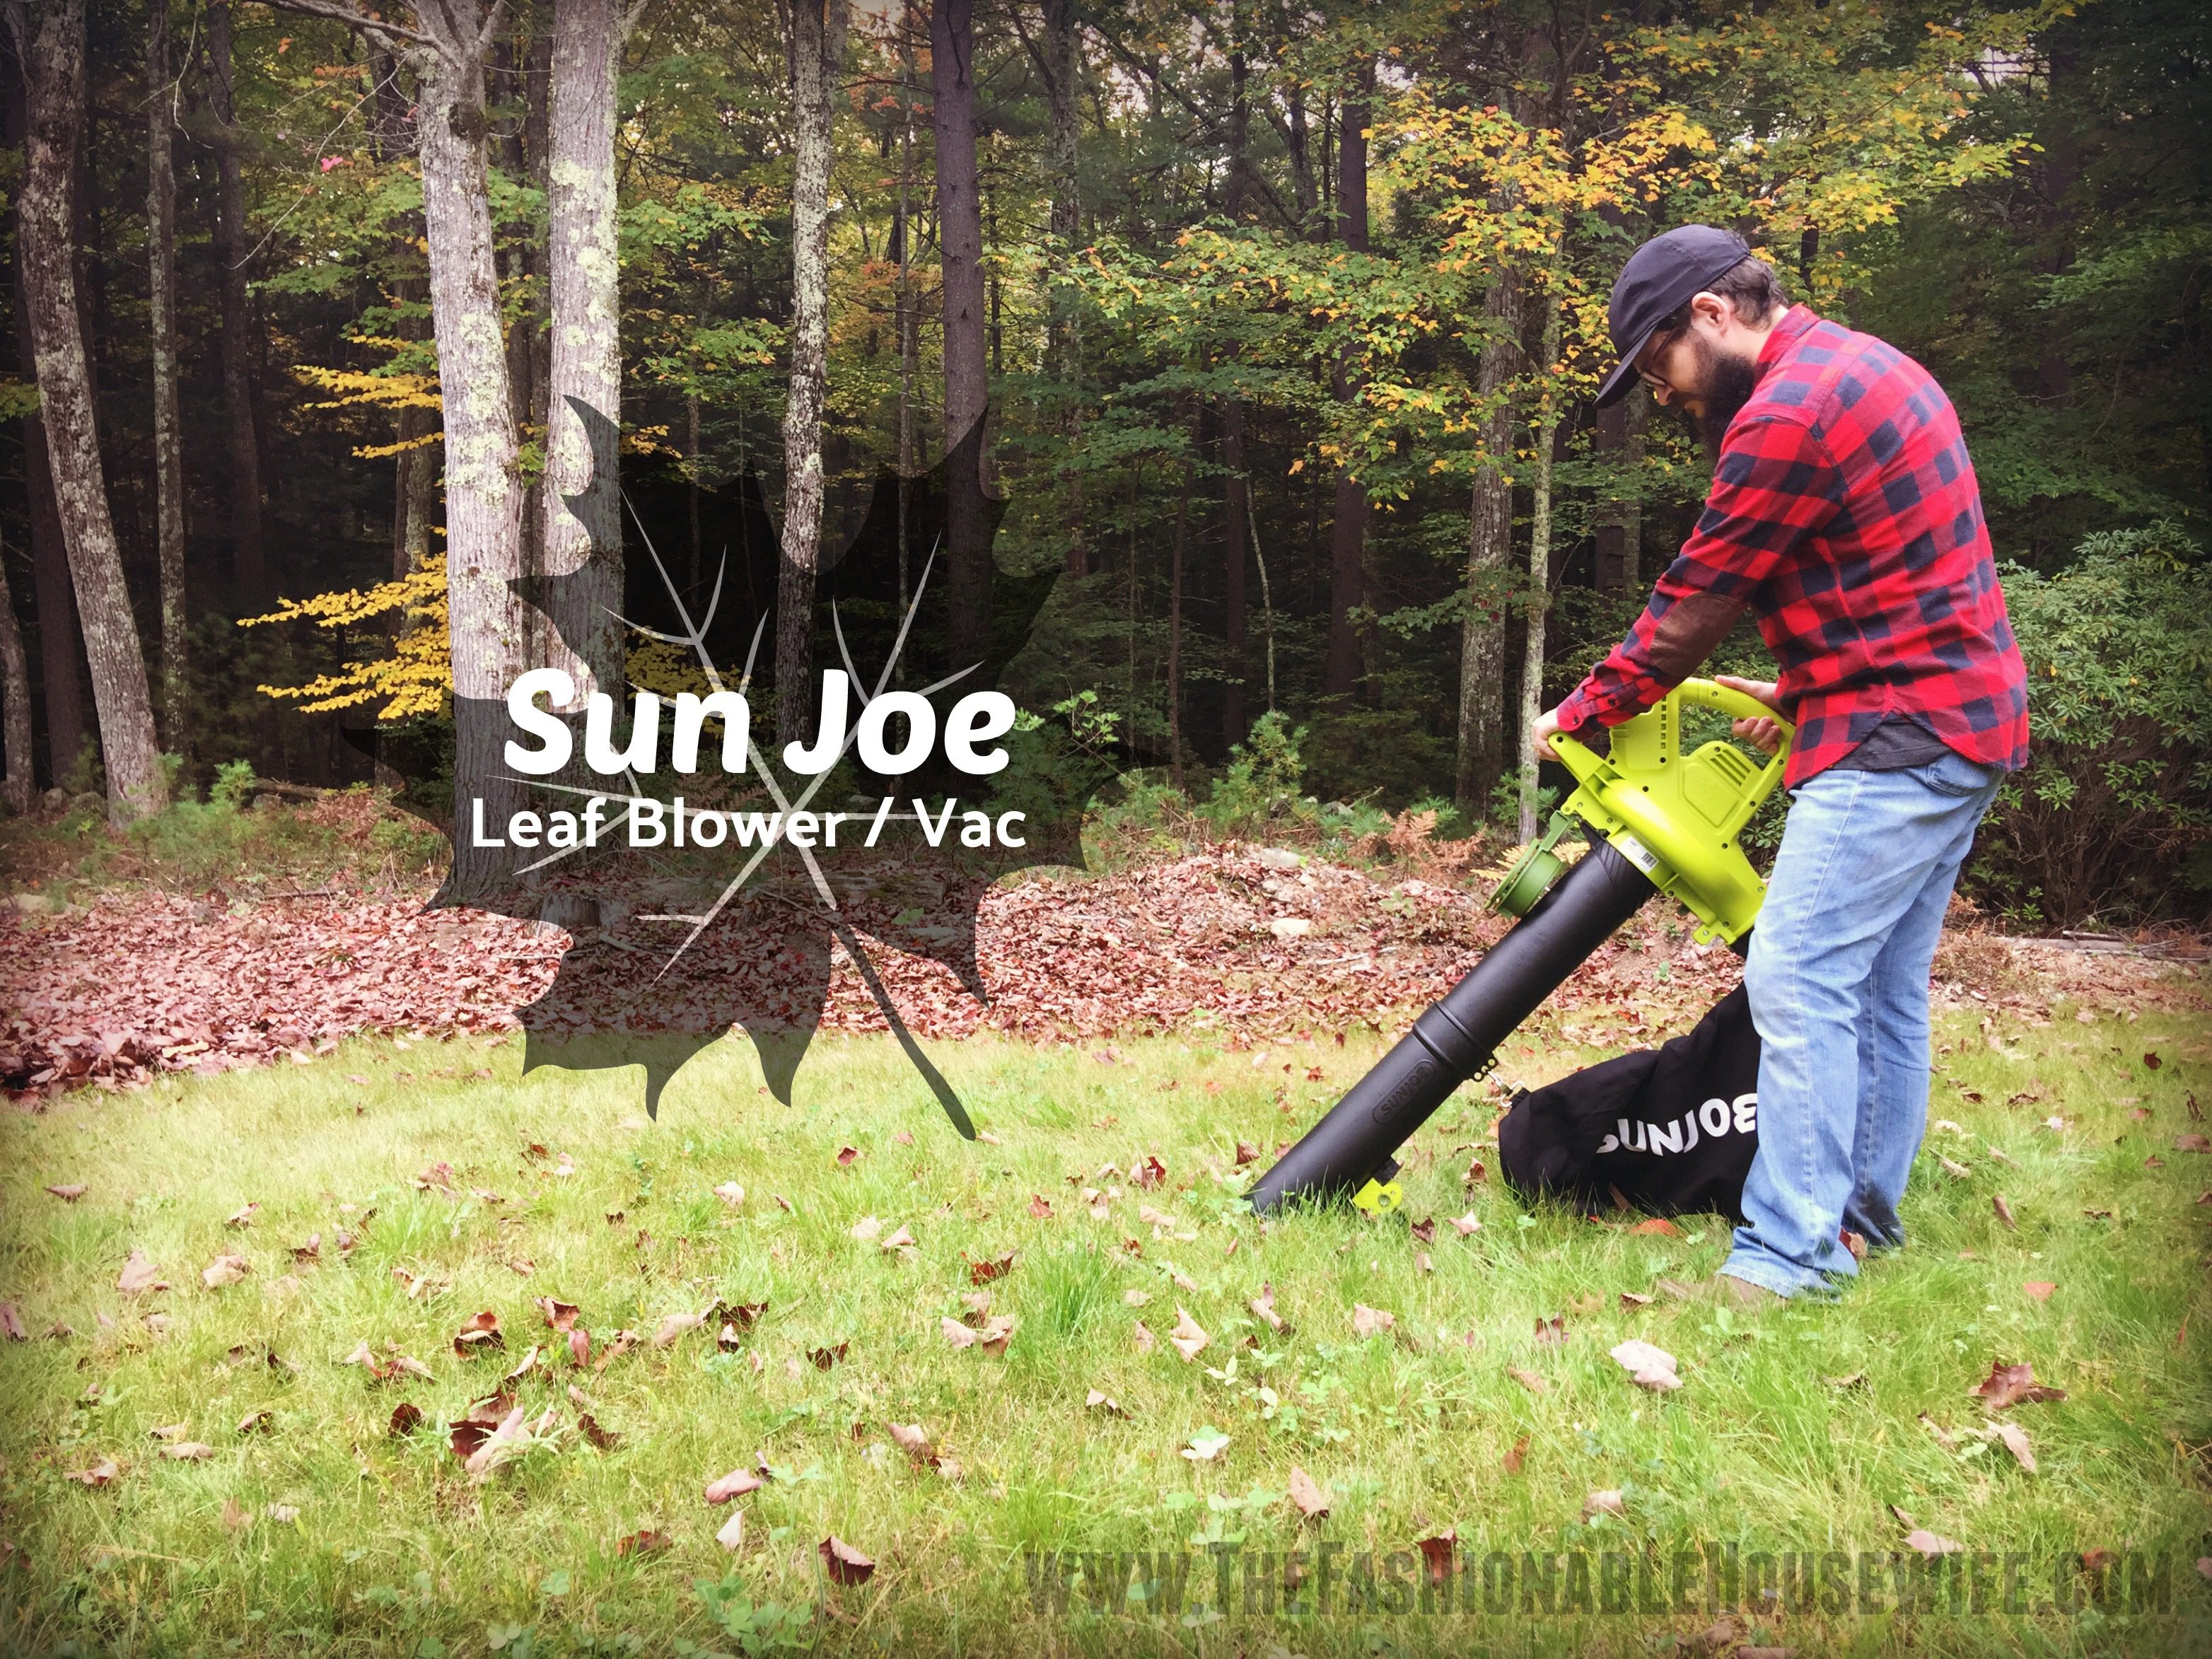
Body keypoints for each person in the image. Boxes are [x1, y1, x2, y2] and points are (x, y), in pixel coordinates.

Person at [1530, 225, 2029, 1305]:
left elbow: (1691, 608)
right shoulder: (1867, 365)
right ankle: (1858, 1224)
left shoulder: (1786, 414)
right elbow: (1907, 572)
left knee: (1795, 979)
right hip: (1957, 719)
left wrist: (1576, 710)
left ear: (1711, 315)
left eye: (1656, 365)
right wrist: (1805, 689)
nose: (1662, 395)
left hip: (1899, 734)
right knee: (1881, 991)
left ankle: (1787, 1255)